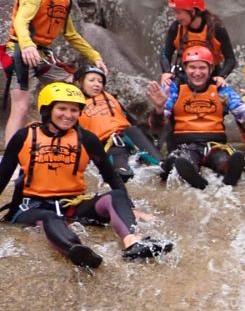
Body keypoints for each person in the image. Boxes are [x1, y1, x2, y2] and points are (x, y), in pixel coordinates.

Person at [0, 82, 172, 268]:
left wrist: (130, 208)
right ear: (47, 110)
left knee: (115, 195)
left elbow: (111, 176)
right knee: (50, 216)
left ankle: (133, 242)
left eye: (74, 110)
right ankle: (75, 250)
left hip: (72, 204)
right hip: (32, 207)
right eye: (62, 109)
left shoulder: (87, 139)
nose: (68, 115)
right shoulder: (24, 136)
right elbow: (3, 176)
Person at [3, 0, 107, 146]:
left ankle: (63, 140)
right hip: (19, 50)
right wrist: (27, 45)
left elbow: (71, 35)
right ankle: (10, 154)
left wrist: (95, 56)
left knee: (73, 86)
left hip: (42, 53)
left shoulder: (64, 0)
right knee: (21, 106)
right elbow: (21, 21)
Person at [146, 46, 245, 189]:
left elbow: (244, 115)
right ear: (185, 68)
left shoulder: (221, 88)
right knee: (182, 161)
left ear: (210, 69)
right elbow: (157, 127)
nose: (197, 72)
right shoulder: (174, 88)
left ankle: (228, 175)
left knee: (222, 160)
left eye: (202, 68)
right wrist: (159, 108)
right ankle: (196, 180)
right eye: (192, 67)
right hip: (184, 144)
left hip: (214, 144)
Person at [74, 65, 162, 182]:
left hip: (129, 134)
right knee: (122, 174)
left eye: (100, 81)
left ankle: (165, 165)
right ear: (79, 83)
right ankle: (123, 172)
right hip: (108, 143)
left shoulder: (109, 97)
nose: (97, 84)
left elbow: (132, 120)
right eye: (91, 80)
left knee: (160, 165)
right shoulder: (74, 105)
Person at [159, 0, 236, 87]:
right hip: (184, 76)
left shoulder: (216, 28)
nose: (176, 16)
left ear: (192, 11)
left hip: (211, 75)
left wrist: (221, 76)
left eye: (178, 12)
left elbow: (230, 59)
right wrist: (166, 72)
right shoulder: (177, 27)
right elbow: (165, 54)